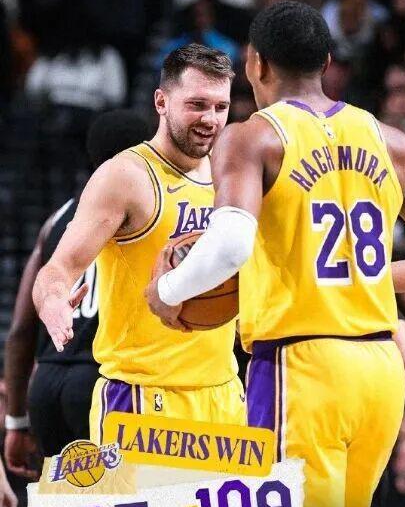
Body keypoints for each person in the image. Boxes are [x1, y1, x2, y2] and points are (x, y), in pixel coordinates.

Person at [146, 1, 405, 507]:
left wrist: (168, 290)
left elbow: (229, 246)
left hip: (303, 370)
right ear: (327, 62)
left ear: (255, 63)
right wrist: (371, 278)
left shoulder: (253, 135)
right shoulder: (392, 142)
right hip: (380, 375)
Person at [32, 44, 245, 452]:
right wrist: (54, 300)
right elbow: (58, 269)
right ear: (161, 102)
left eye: (221, 107)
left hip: (222, 394)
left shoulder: (232, 173)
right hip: (143, 398)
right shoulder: (125, 175)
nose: (210, 119)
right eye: (197, 105)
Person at [4, 110, 150, 472]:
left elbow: (21, 329)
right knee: (123, 501)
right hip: (100, 383)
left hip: (47, 386)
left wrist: (17, 421)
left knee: (65, 502)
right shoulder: (148, 209)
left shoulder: (57, 219)